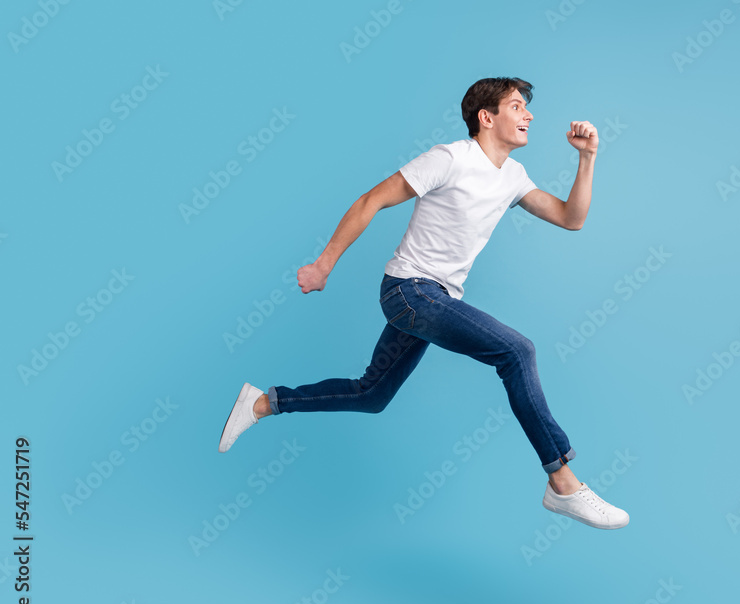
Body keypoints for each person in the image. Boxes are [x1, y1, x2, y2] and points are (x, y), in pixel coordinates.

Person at [219, 77, 628, 530]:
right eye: (517, 106)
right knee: (517, 351)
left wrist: (587, 158)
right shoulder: (450, 158)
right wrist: (323, 265)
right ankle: (562, 482)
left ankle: (262, 403)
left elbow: (572, 219)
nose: (528, 114)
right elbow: (372, 200)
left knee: (371, 395)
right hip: (409, 291)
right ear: (486, 117)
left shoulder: (513, 177)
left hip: (435, 300)